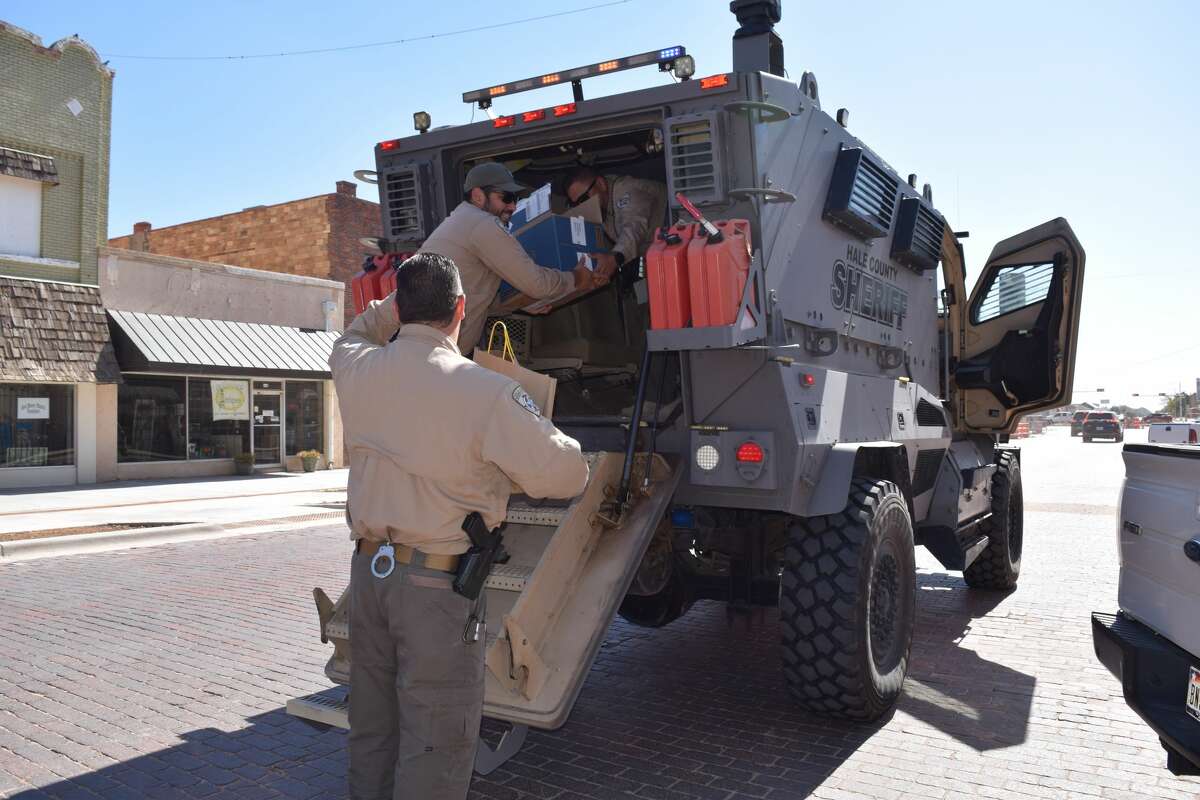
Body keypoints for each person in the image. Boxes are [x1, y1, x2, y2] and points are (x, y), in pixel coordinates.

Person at [329, 251, 591, 800]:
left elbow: (356, 329)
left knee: (374, 730)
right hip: (435, 590)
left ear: (399, 307)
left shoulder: (354, 366)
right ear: (462, 310)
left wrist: (389, 307)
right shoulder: (485, 391)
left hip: (369, 580)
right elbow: (568, 475)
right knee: (435, 743)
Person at [419, 162, 596, 355]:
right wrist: (577, 278)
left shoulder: (461, 220)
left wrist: (522, 304)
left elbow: (477, 299)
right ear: (478, 196)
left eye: (515, 198)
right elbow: (537, 283)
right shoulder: (483, 225)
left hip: (428, 351)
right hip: (434, 354)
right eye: (506, 197)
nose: (513, 206)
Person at [563, 167, 669, 285]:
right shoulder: (601, 206)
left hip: (679, 229)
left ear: (600, 184)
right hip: (661, 250)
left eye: (583, 199)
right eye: (576, 204)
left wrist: (613, 259)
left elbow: (634, 227)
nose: (582, 206)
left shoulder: (626, 190)